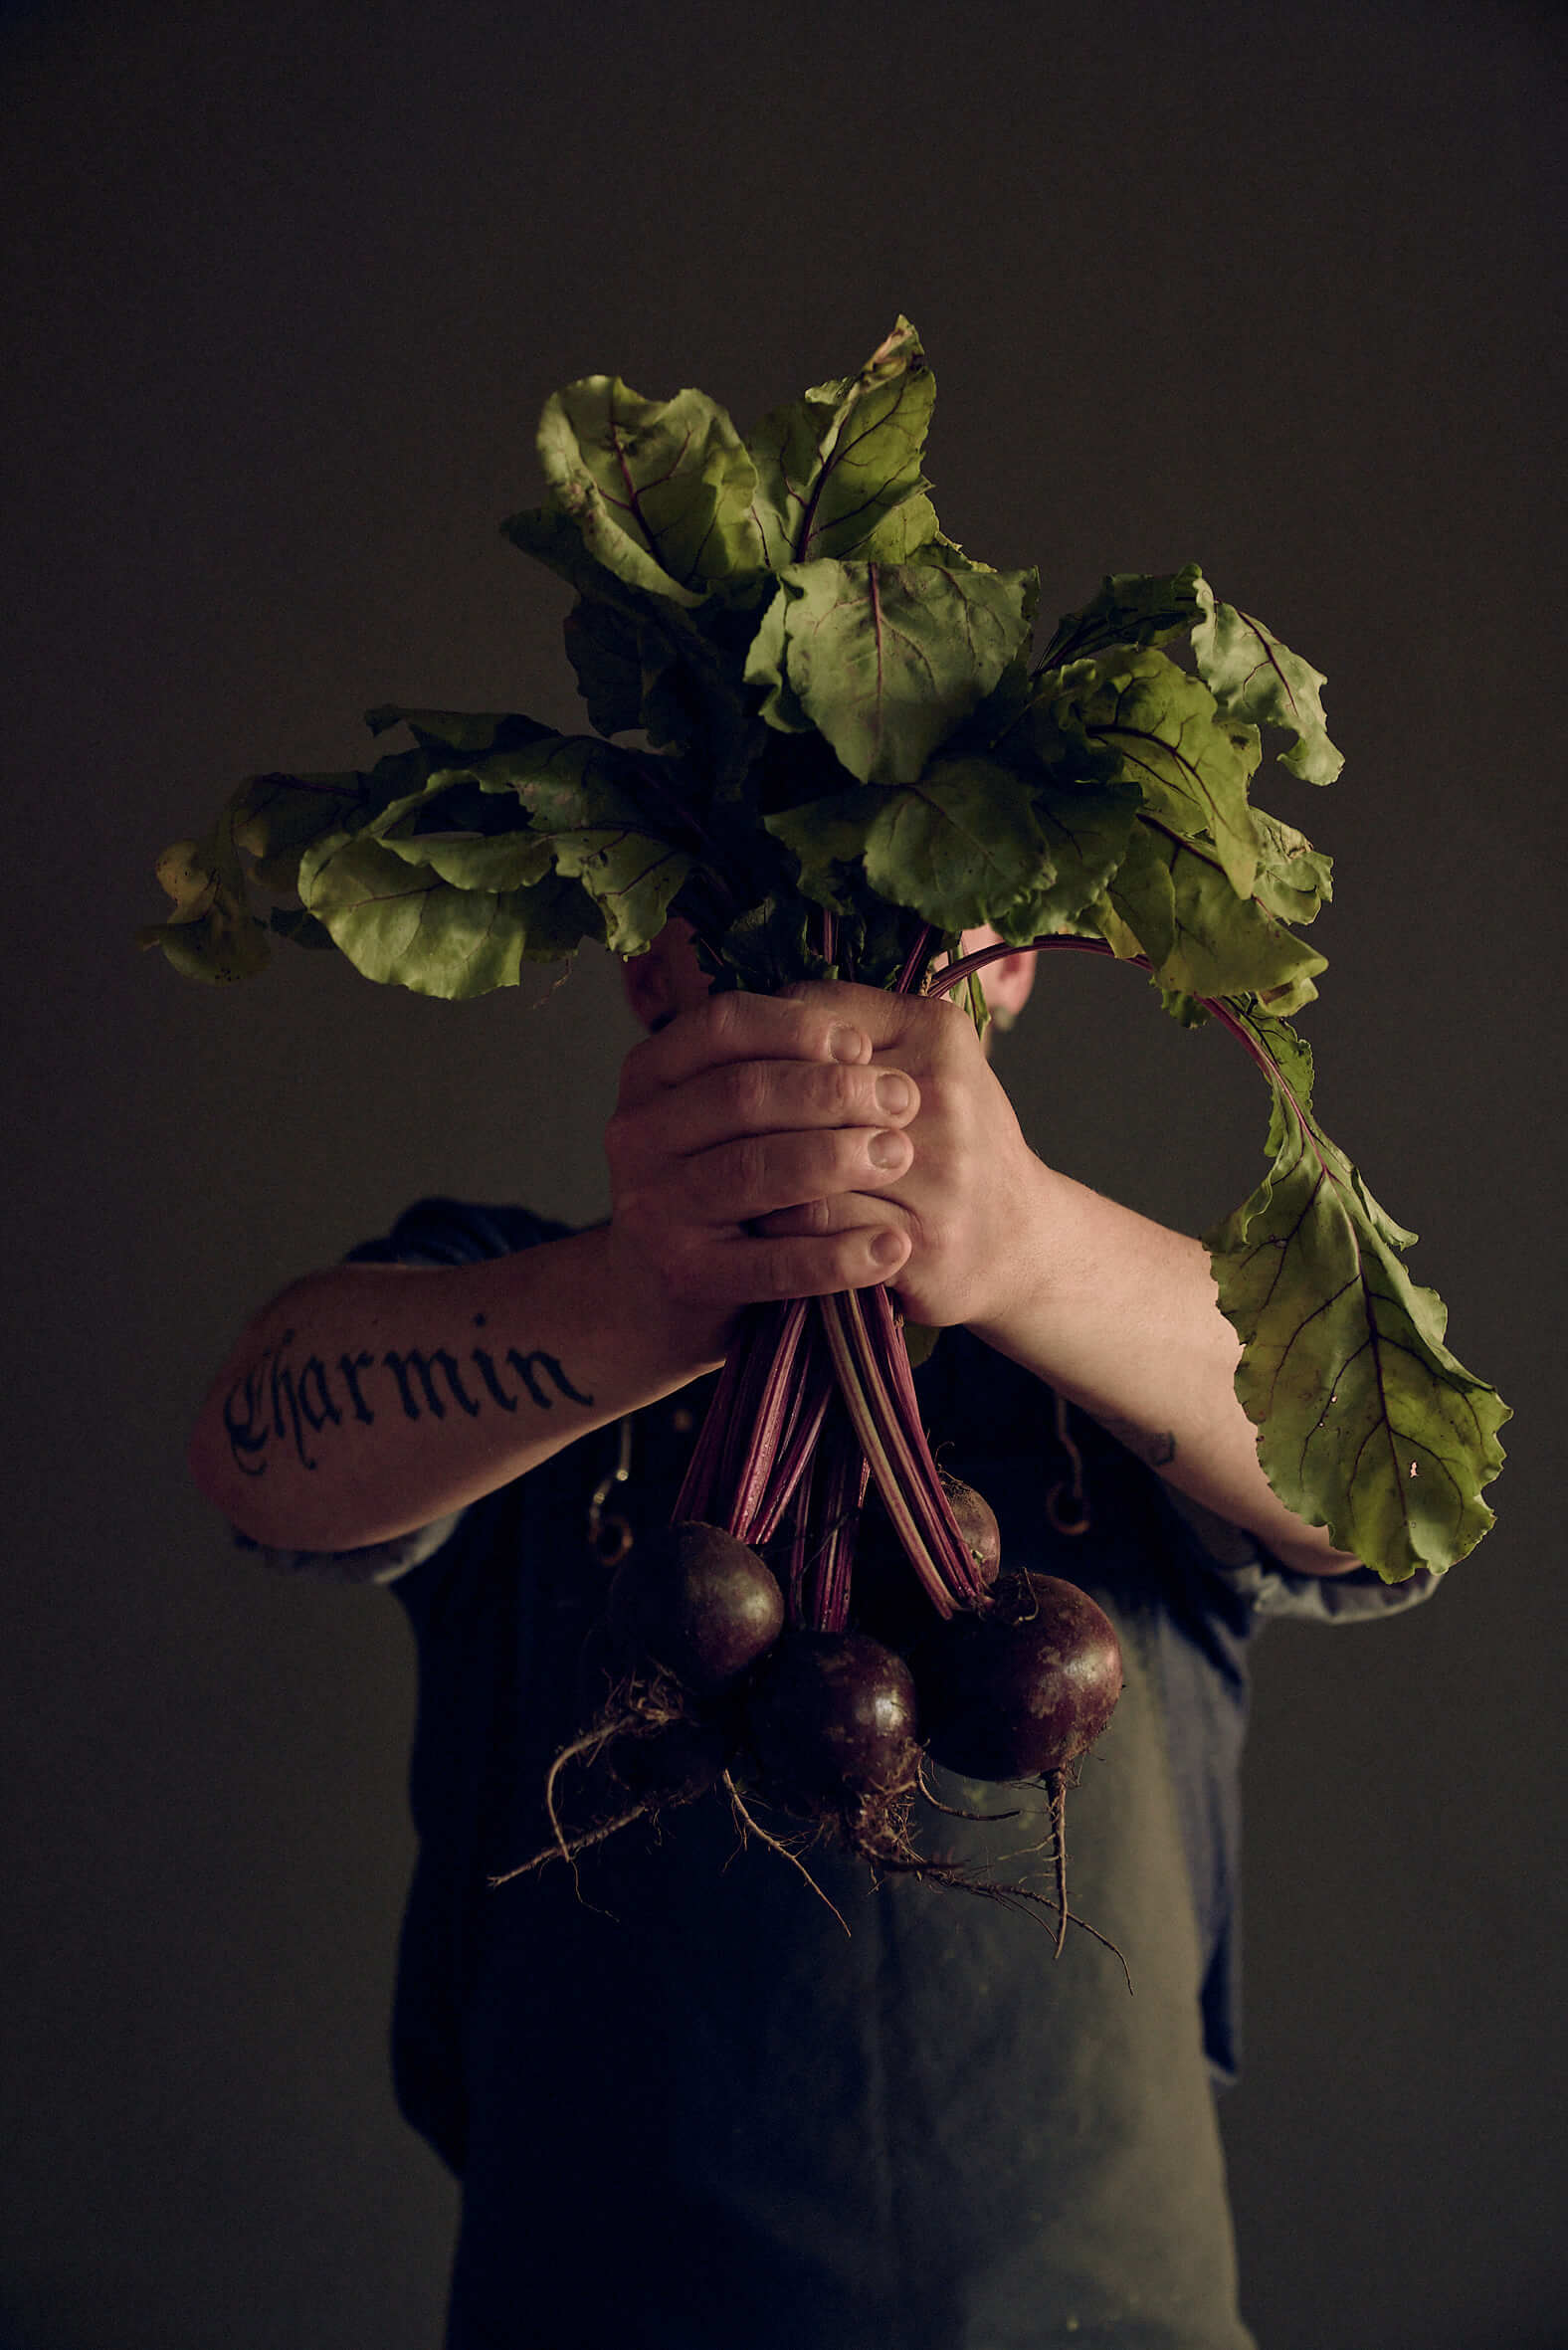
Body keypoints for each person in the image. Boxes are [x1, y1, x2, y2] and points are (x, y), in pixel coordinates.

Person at [189, 924, 1436, 2349]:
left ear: (1014, 965)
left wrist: (1029, 1249)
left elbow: (1389, 1494)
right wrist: (637, 1301)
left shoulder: (1123, 1328)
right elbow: (252, 1447)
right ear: (650, 973)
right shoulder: (519, 1295)